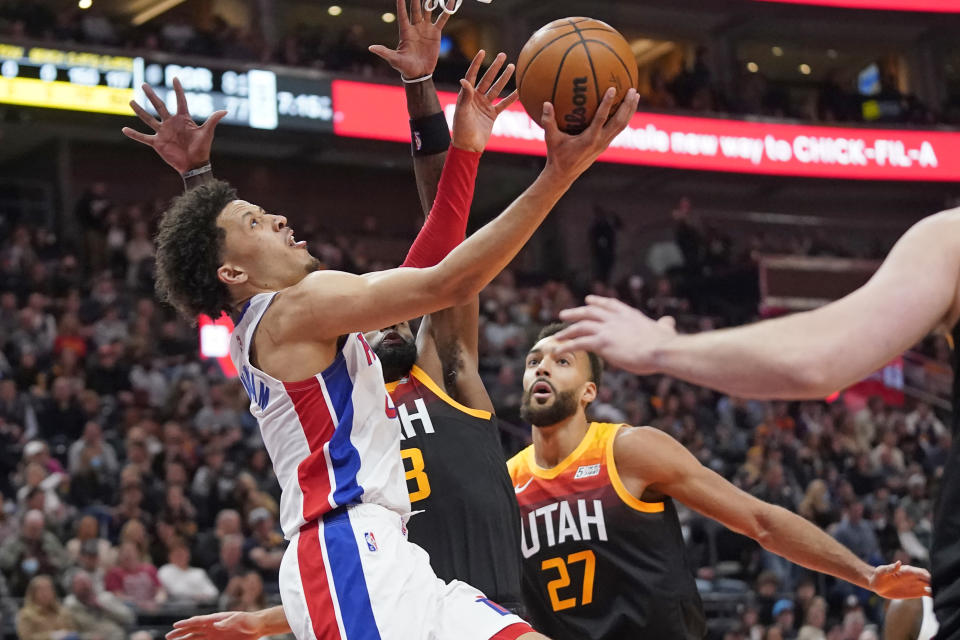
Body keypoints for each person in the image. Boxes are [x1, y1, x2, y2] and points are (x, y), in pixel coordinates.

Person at [126, 0, 639, 633]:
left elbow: (429, 264)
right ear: (235, 273)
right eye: (258, 221)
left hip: (397, 558)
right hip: (348, 551)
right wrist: (560, 171)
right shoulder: (293, 312)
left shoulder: (290, 319)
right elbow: (453, 278)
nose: (280, 219)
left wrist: (467, 146)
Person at [161, 4, 522, 630]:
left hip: (430, 586)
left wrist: (425, 99)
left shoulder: (438, 372)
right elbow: (242, 280)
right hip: (369, 566)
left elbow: (440, 244)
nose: (277, 220)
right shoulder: (312, 336)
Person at [554, 207, 960, 636]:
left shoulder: (949, 237)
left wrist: (663, 347)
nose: (542, 372)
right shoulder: (516, 471)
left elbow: (759, 517)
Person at [505, 325, 927, 640]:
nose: (542, 366)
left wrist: (866, 575)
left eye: (562, 362)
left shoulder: (627, 450)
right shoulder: (506, 480)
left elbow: (759, 520)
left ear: (588, 392)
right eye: (534, 361)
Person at [16, 574, 78, 640]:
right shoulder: (26, 615)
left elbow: (73, 632)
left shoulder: (63, 612)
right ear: (33, 593)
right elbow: (26, 637)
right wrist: (52, 636)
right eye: (41, 590)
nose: (45, 593)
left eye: (48, 589)